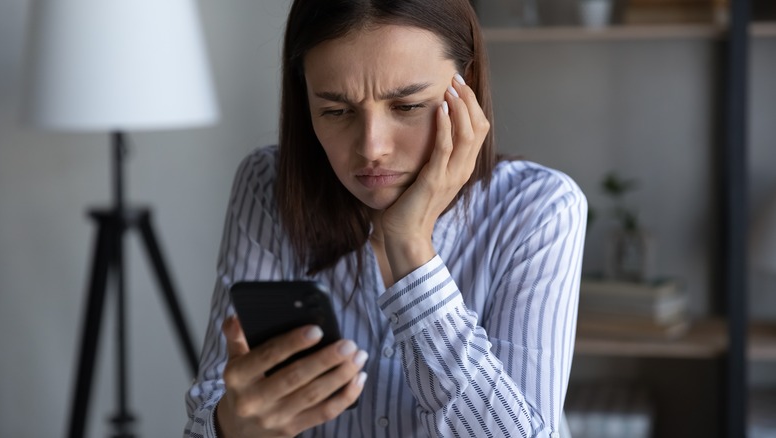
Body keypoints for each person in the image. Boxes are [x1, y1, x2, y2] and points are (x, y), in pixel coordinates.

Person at [184, 0, 587, 436]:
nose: (372, 147)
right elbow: (204, 417)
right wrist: (230, 426)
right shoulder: (268, 187)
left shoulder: (539, 208)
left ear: (465, 89)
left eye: (408, 106)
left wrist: (410, 244)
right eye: (336, 111)